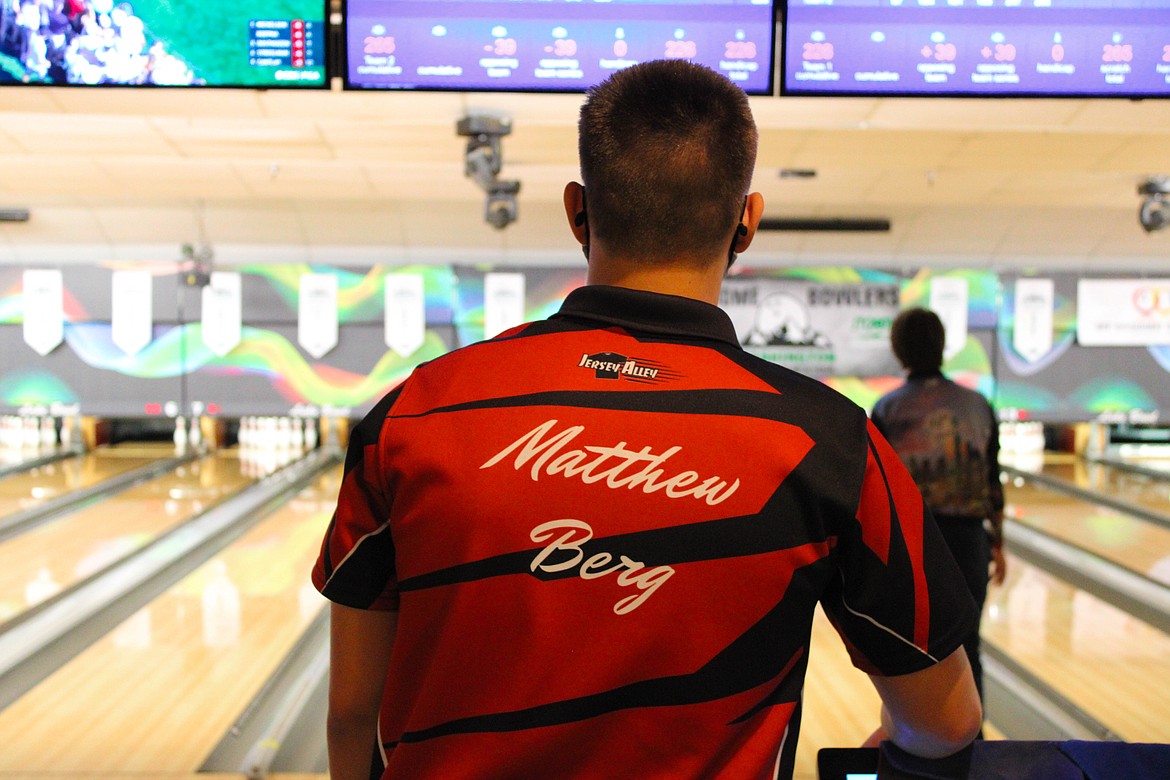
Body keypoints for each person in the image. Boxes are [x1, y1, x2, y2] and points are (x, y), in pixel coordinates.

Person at [313, 60, 982, 780]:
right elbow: (946, 723)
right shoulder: (831, 441)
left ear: (577, 210)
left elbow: (355, 710)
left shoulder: (419, 409)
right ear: (747, 223)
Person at [870, 307, 1007, 707]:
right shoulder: (977, 404)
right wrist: (996, 543)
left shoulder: (888, 409)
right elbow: (991, 480)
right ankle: (971, 743)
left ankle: (915, 737)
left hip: (914, 542)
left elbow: (877, 488)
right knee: (969, 645)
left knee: (912, 651)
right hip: (968, 541)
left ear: (899, 350)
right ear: (944, 346)